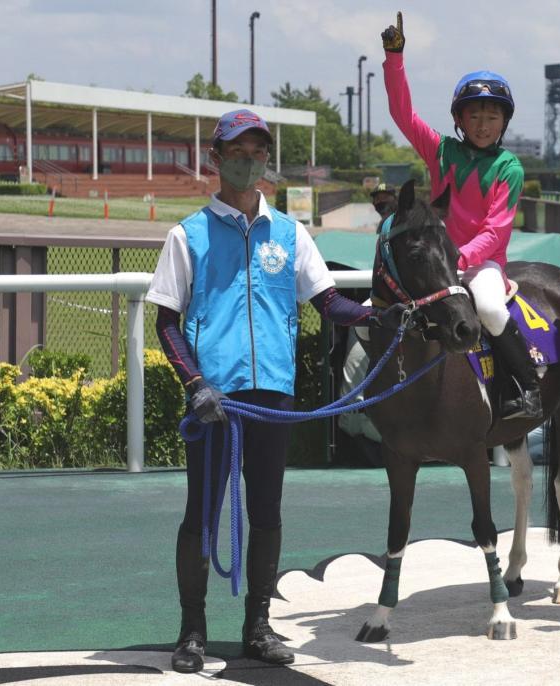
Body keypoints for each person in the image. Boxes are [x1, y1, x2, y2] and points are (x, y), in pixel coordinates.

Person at [146, 109, 412, 673]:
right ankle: (192, 630)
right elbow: (166, 321)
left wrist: (376, 316)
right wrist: (195, 384)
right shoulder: (186, 234)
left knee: (267, 508)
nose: (248, 162)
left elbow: (329, 304)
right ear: (215, 159)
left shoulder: (291, 235)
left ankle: (258, 626)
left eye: (257, 152)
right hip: (213, 401)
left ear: (268, 160)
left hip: (273, 397)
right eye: (237, 152)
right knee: (202, 511)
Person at [380, 12, 541, 419]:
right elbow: (403, 115)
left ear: (504, 121)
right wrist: (394, 58)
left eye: (492, 117)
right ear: (459, 119)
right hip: (442, 264)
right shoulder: (442, 152)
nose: (483, 125)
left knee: (487, 307)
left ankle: (527, 387)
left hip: (481, 263)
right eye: (475, 116)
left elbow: (496, 232)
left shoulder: (509, 168)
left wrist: (458, 260)